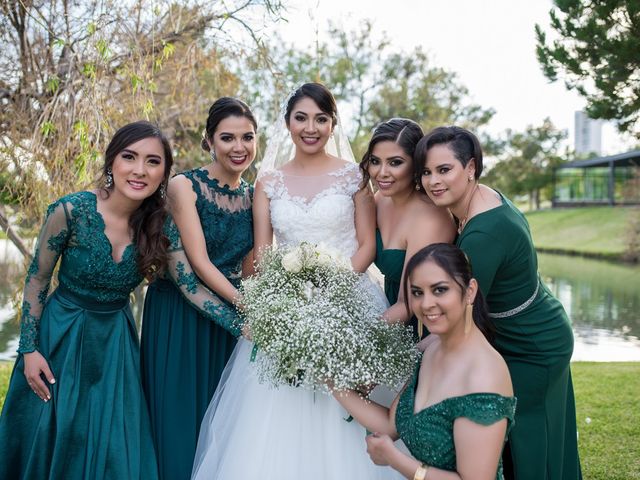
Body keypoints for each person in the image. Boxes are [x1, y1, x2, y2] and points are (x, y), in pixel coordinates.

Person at [190, 83, 401, 479]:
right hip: (287, 303)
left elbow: (366, 246)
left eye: (321, 119)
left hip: (349, 296)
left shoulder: (354, 177)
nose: (311, 127)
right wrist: (287, 298)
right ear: (287, 123)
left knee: (350, 397)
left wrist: (334, 287)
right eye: (301, 118)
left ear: (333, 124)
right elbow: (266, 254)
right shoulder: (269, 184)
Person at [0, 121, 173, 479]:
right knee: (51, 436)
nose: (140, 170)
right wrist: (28, 350)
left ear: (164, 173)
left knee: (114, 450)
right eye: (129, 157)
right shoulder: (70, 211)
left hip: (114, 345)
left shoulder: (159, 226)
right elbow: (37, 280)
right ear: (112, 162)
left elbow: (189, 279)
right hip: (59, 337)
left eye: (153, 161)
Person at [417, 126, 582, 479]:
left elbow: (457, 318)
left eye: (444, 170)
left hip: (532, 344)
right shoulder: (479, 199)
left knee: (529, 440)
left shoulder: (484, 232)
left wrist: (405, 357)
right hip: (517, 329)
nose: (433, 181)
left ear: (471, 168)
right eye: (427, 172)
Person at [140, 98, 256, 480]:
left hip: (229, 319)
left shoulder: (254, 195)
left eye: (247, 137)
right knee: (181, 424)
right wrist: (247, 311)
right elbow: (200, 265)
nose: (238, 147)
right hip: (181, 316)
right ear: (209, 141)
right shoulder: (183, 186)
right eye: (227, 138)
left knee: (224, 425)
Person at [334, 243, 516, 480]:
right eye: (417, 292)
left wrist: (395, 459)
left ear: (469, 291)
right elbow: (391, 424)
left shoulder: (483, 376)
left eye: (439, 290)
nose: (426, 303)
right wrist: (330, 379)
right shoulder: (432, 350)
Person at [360, 118, 455, 326]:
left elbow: (408, 303)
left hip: (419, 323)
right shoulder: (381, 199)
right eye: (375, 161)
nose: (381, 173)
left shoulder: (429, 219)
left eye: (395, 162)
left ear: (416, 165)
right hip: (386, 308)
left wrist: (358, 335)